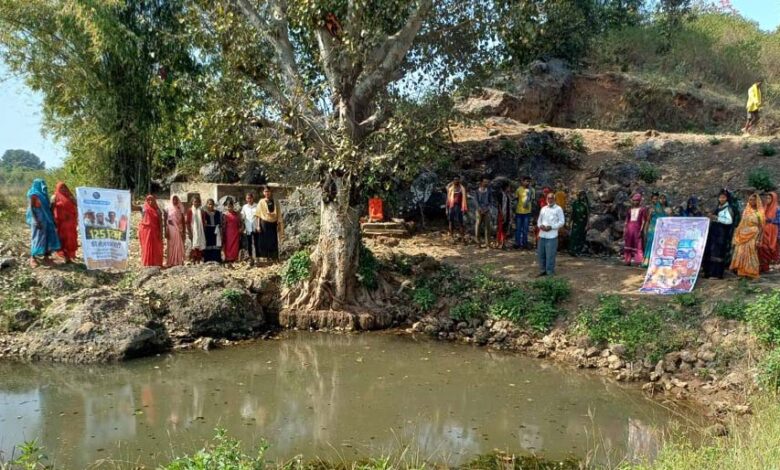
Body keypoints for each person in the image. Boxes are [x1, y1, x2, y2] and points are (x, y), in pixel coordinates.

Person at [26, 178, 61, 267]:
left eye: (44, 184)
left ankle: (46, 257)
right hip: (38, 220)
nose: (43, 186)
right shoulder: (33, 194)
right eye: (41, 184)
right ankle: (33, 257)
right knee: (37, 238)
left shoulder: (44, 196)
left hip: (47, 220)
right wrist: (36, 221)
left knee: (47, 238)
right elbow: (31, 209)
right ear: (36, 185)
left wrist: (53, 219)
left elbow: (48, 208)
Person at [702, 190, 735, 279]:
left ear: (727, 198)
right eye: (720, 197)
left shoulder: (728, 208)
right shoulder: (719, 207)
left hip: (721, 234)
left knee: (718, 252)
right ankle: (709, 272)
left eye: (723, 197)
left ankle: (716, 274)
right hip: (714, 233)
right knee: (711, 251)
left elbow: (729, 221)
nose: (721, 199)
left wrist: (716, 218)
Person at [730, 193, 764, 279]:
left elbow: (761, 227)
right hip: (743, 235)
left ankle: (751, 272)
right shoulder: (746, 211)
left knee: (751, 252)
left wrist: (759, 239)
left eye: (754, 200)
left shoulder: (759, 212)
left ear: (757, 201)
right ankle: (742, 273)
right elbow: (741, 223)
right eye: (750, 200)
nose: (752, 201)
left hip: (753, 234)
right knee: (741, 252)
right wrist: (737, 234)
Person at [536, 192, 565, 277]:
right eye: (548, 198)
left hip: (552, 236)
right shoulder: (543, 208)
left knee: (550, 255)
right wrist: (540, 226)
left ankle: (550, 272)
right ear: (546, 199)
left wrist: (552, 227)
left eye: (552, 198)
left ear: (554, 199)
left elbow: (562, 222)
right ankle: (542, 270)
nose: (550, 200)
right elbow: (539, 220)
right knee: (541, 254)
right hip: (542, 235)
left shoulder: (558, 209)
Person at [51, 182, 78, 263]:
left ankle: (70, 255)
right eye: (61, 188)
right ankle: (66, 256)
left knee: (71, 239)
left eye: (64, 187)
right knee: (63, 239)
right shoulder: (54, 197)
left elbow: (77, 205)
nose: (63, 189)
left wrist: (74, 200)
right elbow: (51, 209)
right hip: (61, 223)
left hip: (71, 222)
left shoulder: (70, 196)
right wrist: (53, 220)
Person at [256, 186, 284, 260]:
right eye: (265, 191)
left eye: (268, 191)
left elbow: (278, 213)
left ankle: (273, 258)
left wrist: (279, 223)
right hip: (264, 224)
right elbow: (258, 214)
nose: (267, 193)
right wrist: (258, 225)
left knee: (273, 240)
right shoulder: (261, 202)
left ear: (271, 192)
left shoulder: (275, 202)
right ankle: (264, 258)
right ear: (263, 193)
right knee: (264, 241)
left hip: (273, 224)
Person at [138, 195, 164, 267]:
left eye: (152, 200)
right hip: (145, 232)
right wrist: (129, 197)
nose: (150, 201)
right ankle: (147, 263)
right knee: (146, 247)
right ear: (146, 201)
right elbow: (133, 207)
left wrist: (161, 234)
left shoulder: (158, 210)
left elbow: (160, 223)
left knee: (156, 247)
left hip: (155, 232)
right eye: (148, 200)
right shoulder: (143, 208)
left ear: (154, 201)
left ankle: (156, 263)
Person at [642, 193, 666, 268]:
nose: (662, 200)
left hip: (661, 230)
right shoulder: (651, 209)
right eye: (654, 199)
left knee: (659, 244)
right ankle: (647, 261)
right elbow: (648, 221)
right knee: (650, 243)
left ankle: (656, 261)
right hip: (652, 229)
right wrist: (645, 230)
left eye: (657, 199)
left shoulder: (664, 210)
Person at [623, 194, 647, 266]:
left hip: (637, 229)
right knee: (628, 244)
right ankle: (627, 260)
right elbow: (627, 221)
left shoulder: (642, 210)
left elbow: (643, 221)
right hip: (629, 229)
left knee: (638, 245)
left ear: (639, 201)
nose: (635, 202)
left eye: (637, 200)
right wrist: (625, 230)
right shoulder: (630, 210)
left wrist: (641, 230)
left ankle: (638, 261)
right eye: (634, 200)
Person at [759, 192, 778, 273]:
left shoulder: (777, 209)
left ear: (773, 199)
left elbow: (778, 220)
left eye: (769, 198)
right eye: (766, 198)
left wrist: (769, 220)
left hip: (772, 233)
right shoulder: (765, 208)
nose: (767, 200)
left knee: (769, 248)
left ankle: (769, 267)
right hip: (763, 231)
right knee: (762, 248)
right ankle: (763, 266)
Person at [514, 176, 535, 250]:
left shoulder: (532, 190)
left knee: (525, 229)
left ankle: (524, 243)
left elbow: (532, 200)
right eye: (526, 181)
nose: (527, 183)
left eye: (529, 181)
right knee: (518, 229)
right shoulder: (518, 190)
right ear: (522, 181)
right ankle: (517, 244)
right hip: (519, 212)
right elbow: (516, 200)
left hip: (527, 212)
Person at [165, 195, 186, 267]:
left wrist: (184, 231)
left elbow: (183, 220)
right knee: (171, 245)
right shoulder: (168, 208)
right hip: (171, 228)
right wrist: (166, 230)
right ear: (171, 200)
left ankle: (178, 261)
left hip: (179, 229)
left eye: (176, 199)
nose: (175, 201)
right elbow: (166, 220)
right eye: (173, 199)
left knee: (178, 244)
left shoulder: (181, 208)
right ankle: (171, 261)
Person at [568, 190, 590, 256]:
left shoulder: (585, 204)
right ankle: (572, 250)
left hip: (583, 224)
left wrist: (587, 224)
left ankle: (578, 251)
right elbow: (572, 213)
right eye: (581, 195)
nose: (582, 197)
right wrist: (569, 222)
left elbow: (588, 215)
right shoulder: (575, 203)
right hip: (576, 223)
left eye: (583, 195)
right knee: (573, 236)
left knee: (581, 237)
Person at [186, 195, 207, 263]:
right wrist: (189, 232)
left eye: (198, 202)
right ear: (192, 202)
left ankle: (199, 258)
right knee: (194, 244)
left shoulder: (201, 211)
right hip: (193, 230)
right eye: (195, 202)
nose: (196, 203)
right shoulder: (190, 211)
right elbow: (188, 222)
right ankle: (193, 258)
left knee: (200, 243)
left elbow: (203, 221)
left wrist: (203, 230)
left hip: (200, 230)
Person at [202, 198, 223, 263]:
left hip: (216, 230)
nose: (210, 206)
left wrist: (220, 231)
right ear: (207, 205)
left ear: (214, 205)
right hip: (208, 230)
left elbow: (220, 223)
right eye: (209, 204)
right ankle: (208, 259)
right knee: (208, 243)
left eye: (212, 204)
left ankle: (216, 258)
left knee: (216, 243)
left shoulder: (218, 213)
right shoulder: (204, 213)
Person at [474, 177, 493, 248]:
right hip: (479, 211)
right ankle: (478, 243)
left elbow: (491, 201)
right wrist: (480, 209)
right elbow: (476, 201)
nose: (486, 183)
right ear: (481, 182)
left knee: (487, 227)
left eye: (487, 182)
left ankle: (488, 244)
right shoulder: (476, 191)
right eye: (485, 182)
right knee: (477, 226)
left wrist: (487, 209)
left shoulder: (489, 191)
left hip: (487, 211)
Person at [223, 197, 242, 263]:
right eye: (228, 207)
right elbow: (223, 225)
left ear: (233, 206)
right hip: (228, 232)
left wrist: (241, 229)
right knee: (228, 245)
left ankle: (234, 258)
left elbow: (240, 222)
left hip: (236, 232)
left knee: (235, 245)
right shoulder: (225, 215)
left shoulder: (237, 214)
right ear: (226, 207)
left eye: (231, 207)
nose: (229, 208)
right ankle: (228, 258)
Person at [241, 192, 259, 261]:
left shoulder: (257, 206)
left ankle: (257, 257)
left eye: (250, 198)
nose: (249, 200)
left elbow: (258, 216)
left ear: (253, 198)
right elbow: (242, 216)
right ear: (246, 199)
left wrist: (258, 226)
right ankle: (250, 257)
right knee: (249, 243)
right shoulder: (244, 207)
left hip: (255, 227)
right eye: (248, 198)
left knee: (256, 243)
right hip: (248, 228)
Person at [496, 182, 513, 250]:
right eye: (508, 187)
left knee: (505, 229)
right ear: (506, 187)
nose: (509, 188)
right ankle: (498, 243)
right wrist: (501, 213)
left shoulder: (508, 195)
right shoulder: (501, 194)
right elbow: (499, 205)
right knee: (500, 229)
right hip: (502, 214)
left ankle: (503, 243)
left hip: (508, 214)